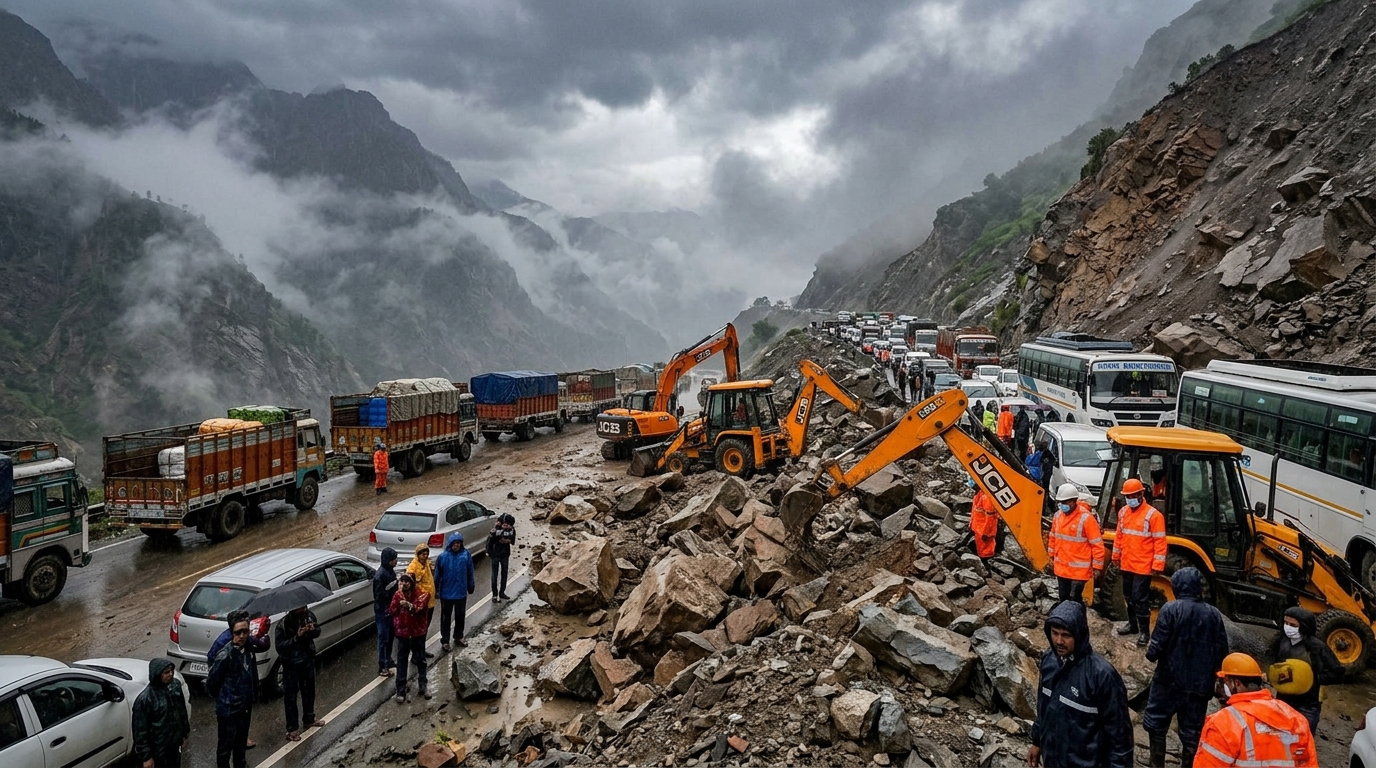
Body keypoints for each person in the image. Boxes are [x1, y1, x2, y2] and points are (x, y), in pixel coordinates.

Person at [1028, 601, 1133, 768]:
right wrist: (1037, 740)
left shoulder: (1101, 675)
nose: (1059, 641)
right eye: (1055, 633)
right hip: (1053, 759)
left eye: (1066, 635)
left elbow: (1120, 737)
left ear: (1079, 635)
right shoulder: (1049, 661)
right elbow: (1044, 707)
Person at [1143, 567, 1230, 768]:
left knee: (1156, 724)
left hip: (1168, 681)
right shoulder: (1214, 614)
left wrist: (1150, 654)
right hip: (1199, 686)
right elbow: (1222, 651)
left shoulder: (1171, 609)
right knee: (1192, 732)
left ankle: (1157, 764)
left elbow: (1157, 645)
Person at [1195, 653, 1317, 767]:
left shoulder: (1223, 723)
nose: (1221, 686)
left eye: (1225, 681)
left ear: (1236, 683)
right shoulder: (1296, 718)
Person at [1265, 606, 1343, 735]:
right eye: (1286, 623)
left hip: (1308, 702)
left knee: (1304, 735)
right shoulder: (1281, 641)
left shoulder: (1317, 647)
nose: (1288, 627)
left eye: (1293, 625)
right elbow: (1272, 660)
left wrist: (1314, 679)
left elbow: (1337, 672)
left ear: (1304, 626)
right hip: (1284, 698)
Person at [1111, 477, 1166, 646]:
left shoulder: (1153, 516)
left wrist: (1157, 565)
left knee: (1139, 598)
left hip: (1143, 565)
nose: (1130, 499)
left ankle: (1144, 632)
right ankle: (1132, 625)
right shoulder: (1123, 513)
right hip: (1127, 563)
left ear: (1141, 494)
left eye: (1133, 495)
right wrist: (1115, 556)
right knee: (1128, 596)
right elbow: (1119, 537)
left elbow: (1160, 542)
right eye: (1128, 496)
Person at [207, 613, 260, 768]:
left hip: (244, 707)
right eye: (238, 633)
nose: (242, 636)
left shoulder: (248, 648)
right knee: (225, 747)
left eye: (245, 631)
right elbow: (212, 683)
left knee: (240, 745)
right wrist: (226, 698)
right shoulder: (224, 655)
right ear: (231, 633)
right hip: (228, 709)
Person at [1047, 483, 1104, 604]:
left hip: (1079, 570)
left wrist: (1097, 567)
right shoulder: (1057, 516)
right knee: (1063, 597)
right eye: (1061, 502)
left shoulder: (1086, 518)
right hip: (1062, 567)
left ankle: (1077, 620)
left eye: (1065, 502)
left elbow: (1097, 544)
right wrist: (1051, 556)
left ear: (1073, 501)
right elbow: (1053, 536)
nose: (1062, 505)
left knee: (1075, 598)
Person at [275, 605, 323, 740]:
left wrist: (312, 630)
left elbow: (318, 631)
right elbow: (280, 647)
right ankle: (292, 728)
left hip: (307, 660)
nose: (302, 609)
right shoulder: (283, 624)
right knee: (290, 698)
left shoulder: (309, 616)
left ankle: (309, 718)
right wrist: (297, 637)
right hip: (291, 665)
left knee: (309, 691)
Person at [132, 658, 190, 768]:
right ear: (157, 674)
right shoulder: (145, 700)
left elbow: (181, 711)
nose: (170, 674)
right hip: (157, 749)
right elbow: (140, 732)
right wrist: (146, 757)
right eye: (166, 672)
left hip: (173, 745)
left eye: (171, 671)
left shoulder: (175, 686)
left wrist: (185, 732)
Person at [389, 572, 432, 703]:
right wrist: (398, 600)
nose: (404, 584)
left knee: (421, 660)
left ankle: (423, 685)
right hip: (403, 634)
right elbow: (392, 611)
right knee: (402, 662)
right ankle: (400, 690)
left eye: (407, 581)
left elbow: (419, 608)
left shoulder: (422, 593)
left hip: (417, 633)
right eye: (402, 581)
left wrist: (409, 605)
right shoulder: (398, 595)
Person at [434, 532, 476, 651]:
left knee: (460, 616)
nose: (456, 545)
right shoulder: (443, 557)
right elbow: (437, 575)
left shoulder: (466, 555)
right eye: (454, 543)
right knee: (446, 618)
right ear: (450, 543)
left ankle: (458, 636)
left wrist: (471, 585)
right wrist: (436, 589)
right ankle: (445, 640)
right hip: (446, 594)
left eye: (458, 543)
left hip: (461, 592)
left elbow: (470, 572)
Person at [405, 542, 438, 653]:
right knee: (418, 629)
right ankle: (416, 653)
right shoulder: (413, 568)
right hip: (420, 604)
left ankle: (421, 650)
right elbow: (408, 587)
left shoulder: (427, 564)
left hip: (429, 602)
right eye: (422, 554)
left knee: (424, 628)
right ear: (417, 555)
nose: (424, 556)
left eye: (426, 553)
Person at [373, 546, 399, 677]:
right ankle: (382, 665)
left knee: (390, 637)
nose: (396, 561)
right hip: (383, 611)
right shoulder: (380, 575)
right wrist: (389, 596)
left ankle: (388, 660)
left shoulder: (390, 572)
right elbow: (379, 595)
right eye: (394, 559)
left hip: (390, 610)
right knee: (383, 638)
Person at [487, 513, 516, 602]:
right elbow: (490, 540)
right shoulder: (495, 530)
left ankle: (502, 593)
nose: (505, 525)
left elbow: (512, 540)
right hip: (495, 555)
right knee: (494, 575)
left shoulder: (511, 530)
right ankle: (495, 595)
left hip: (505, 555)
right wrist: (489, 553)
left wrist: (507, 539)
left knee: (504, 574)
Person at [968, 477, 998, 559]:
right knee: (981, 549)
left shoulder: (987, 498)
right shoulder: (979, 494)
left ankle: (988, 562)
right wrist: (971, 525)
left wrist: (986, 532)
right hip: (978, 528)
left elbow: (991, 518)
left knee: (986, 551)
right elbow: (975, 512)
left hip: (984, 530)